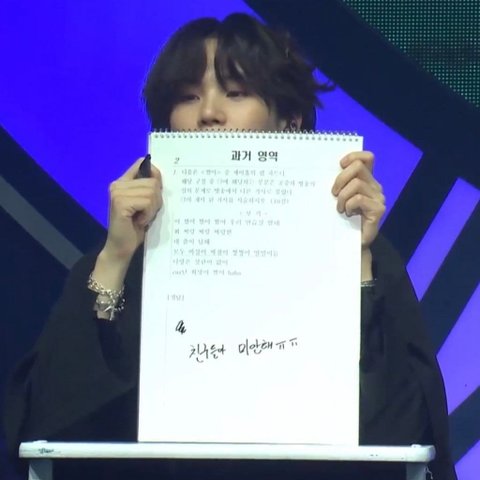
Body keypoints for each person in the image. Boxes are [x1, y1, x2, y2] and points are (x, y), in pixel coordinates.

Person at [3, 13, 456, 480]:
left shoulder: (367, 254)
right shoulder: (127, 251)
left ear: (290, 119)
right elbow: (46, 425)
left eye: (236, 93)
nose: (209, 114)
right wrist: (114, 259)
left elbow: (405, 437)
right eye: (187, 97)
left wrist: (355, 258)